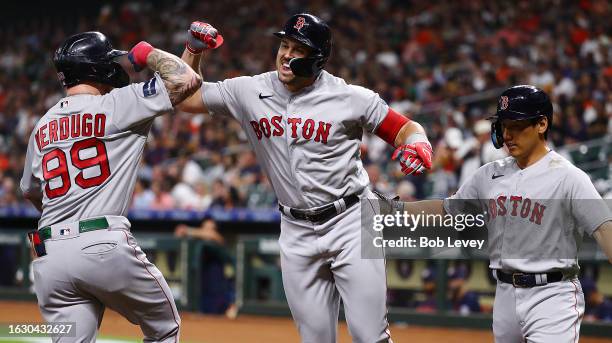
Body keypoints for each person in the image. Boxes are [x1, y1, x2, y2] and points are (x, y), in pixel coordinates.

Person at [176, 14, 433, 342]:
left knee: (370, 336)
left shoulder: (350, 98)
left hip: (351, 221)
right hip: (296, 229)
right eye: (284, 45)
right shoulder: (250, 90)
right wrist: (193, 51)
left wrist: (418, 143)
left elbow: (404, 128)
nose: (286, 54)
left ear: (318, 59)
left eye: (298, 49)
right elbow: (186, 98)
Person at [20, 31, 203, 342]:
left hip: (48, 253)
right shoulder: (118, 104)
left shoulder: (43, 125)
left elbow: (30, 190)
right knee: (164, 328)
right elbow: (185, 78)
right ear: (97, 69)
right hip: (102, 243)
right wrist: (147, 54)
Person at [401, 85, 612, 342]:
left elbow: (604, 228)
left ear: (542, 124)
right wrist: (399, 209)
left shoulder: (568, 177)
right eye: (503, 125)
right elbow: (447, 210)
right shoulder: (489, 174)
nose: (507, 134)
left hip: (552, 294)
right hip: (504, 293)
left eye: (516, 125)